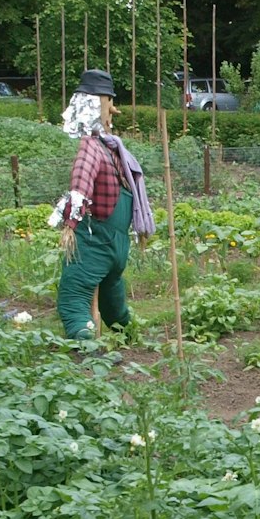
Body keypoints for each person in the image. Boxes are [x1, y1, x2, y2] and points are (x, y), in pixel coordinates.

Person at [55, 70, 156, 339]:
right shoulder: (114, 150)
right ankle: (126, 331)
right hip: (118, 243)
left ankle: (84, 341)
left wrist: (70, 223)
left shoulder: (92, 147)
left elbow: (81, 181)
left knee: (74, 292)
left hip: (95, 240)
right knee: (112, 292)